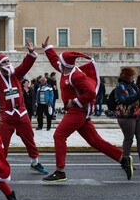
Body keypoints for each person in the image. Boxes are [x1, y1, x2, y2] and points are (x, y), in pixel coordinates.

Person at [42, 36, 133, 183]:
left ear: (65, 63)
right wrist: (47, 49)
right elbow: (55, 61)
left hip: (77, 112)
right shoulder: (65, 68)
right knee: (95, 141)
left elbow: (91, 92)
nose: (59, 61)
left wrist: (75, 101)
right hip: (77, 112)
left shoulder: (76, 75)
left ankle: (60, 171)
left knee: (59, 136)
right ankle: (123, 159)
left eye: (61, 59)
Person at [0, 38, 48, 175]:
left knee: (29, 138)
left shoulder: (16, 74)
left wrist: (31, 52)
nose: (8, 64)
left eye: (8, 61)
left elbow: (26, 64)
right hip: (6, 114)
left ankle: (35, 163)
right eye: (5, 62)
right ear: (0, 66)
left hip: (21, 112)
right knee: (2, 142)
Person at [113, 67, 140, 171]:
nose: (133, 78)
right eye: (131, 76)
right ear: (126, 76)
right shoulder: (120, 87)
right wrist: (139, 93)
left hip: (138, 115)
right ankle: (125, 162)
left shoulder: (133, 86)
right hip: (126, 116)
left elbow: (138, 98)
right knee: (128, 139)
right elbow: (126, 100)